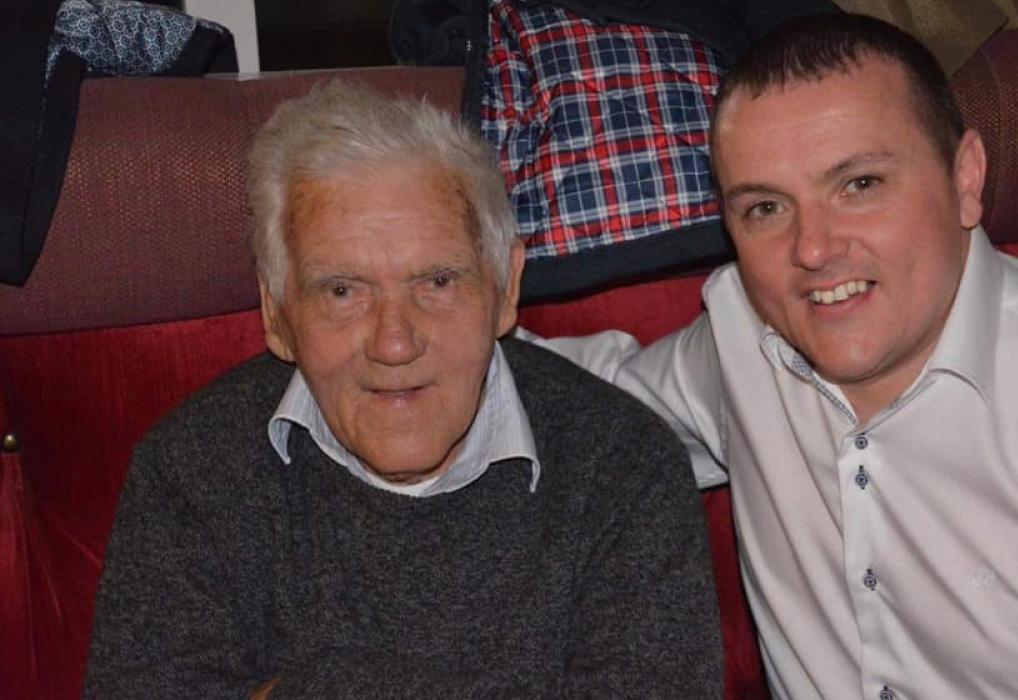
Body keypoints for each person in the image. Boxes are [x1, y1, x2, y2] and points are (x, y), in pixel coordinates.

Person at [538, 13, 1018, 699]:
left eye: (859, 185)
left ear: (965, 177)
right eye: (766, 208)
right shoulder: (742, 336)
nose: (813, 248)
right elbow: (578, 405)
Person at [83, 81, 723, 699]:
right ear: (276, 314)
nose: (394, 343)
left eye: (437, 282)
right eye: (343, 291)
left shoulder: (624, 463)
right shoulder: (192, 471)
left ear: (505, 289)